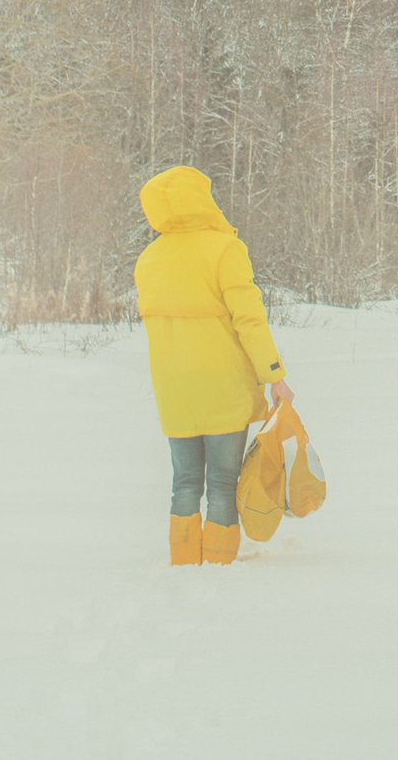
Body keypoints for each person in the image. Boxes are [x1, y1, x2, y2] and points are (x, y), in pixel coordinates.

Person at [133, 165, 293, 567]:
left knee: (184, 483)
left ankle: (184, 562)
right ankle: (220, 563)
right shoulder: (224, 249)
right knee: (222, 483)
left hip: (174, 390)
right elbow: (249, 319)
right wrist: (275, 375)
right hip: (222, 387)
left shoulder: (149, 258)